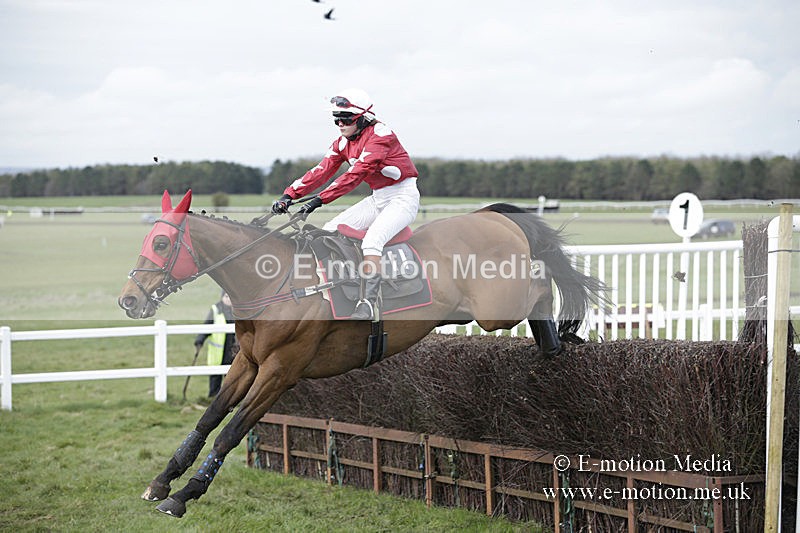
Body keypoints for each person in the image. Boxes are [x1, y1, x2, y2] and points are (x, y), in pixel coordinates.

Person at [271, 88, 420, 320]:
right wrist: (289, 195)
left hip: (403, 198)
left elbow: (355, 175)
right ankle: (342, 285)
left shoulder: (381, 135)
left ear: (362, 118)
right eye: (336, 119)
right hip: (378, 198)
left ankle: (368, 304)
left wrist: (320, 200)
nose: (340, 124)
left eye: (346, 119)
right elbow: (320, 172)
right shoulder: (342, 143)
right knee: (329, 229)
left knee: (372, 242)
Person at [194, 291, 238, 397]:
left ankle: (230, 398)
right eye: (226, 296)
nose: (229, 299)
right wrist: (200, 340)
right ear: (222, 297)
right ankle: (213, 396)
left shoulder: (237, 310)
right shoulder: (216, 309)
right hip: (218, 352)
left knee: (232, 375)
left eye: (230, 297)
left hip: (233, 349)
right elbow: (207, 326)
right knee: (215, 375)